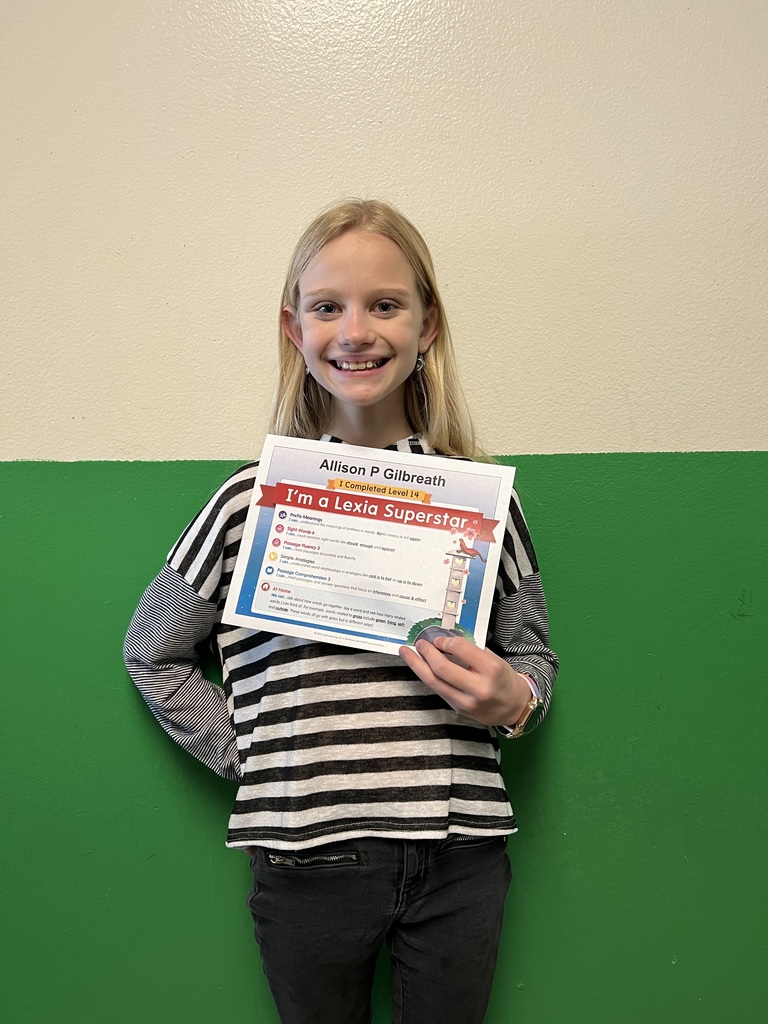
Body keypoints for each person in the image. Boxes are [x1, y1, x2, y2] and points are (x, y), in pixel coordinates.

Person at [124, 198, 559, 1024]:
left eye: (385, 304)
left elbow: (533, 656)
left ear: (428, 325)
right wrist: (248, 755)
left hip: (459, 855)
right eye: (327, 307)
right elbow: (152, 650)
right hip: (304, 857)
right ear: (294, 329)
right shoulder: (249, 501)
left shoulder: (483, 503)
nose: (355, 331)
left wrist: (518, 702)